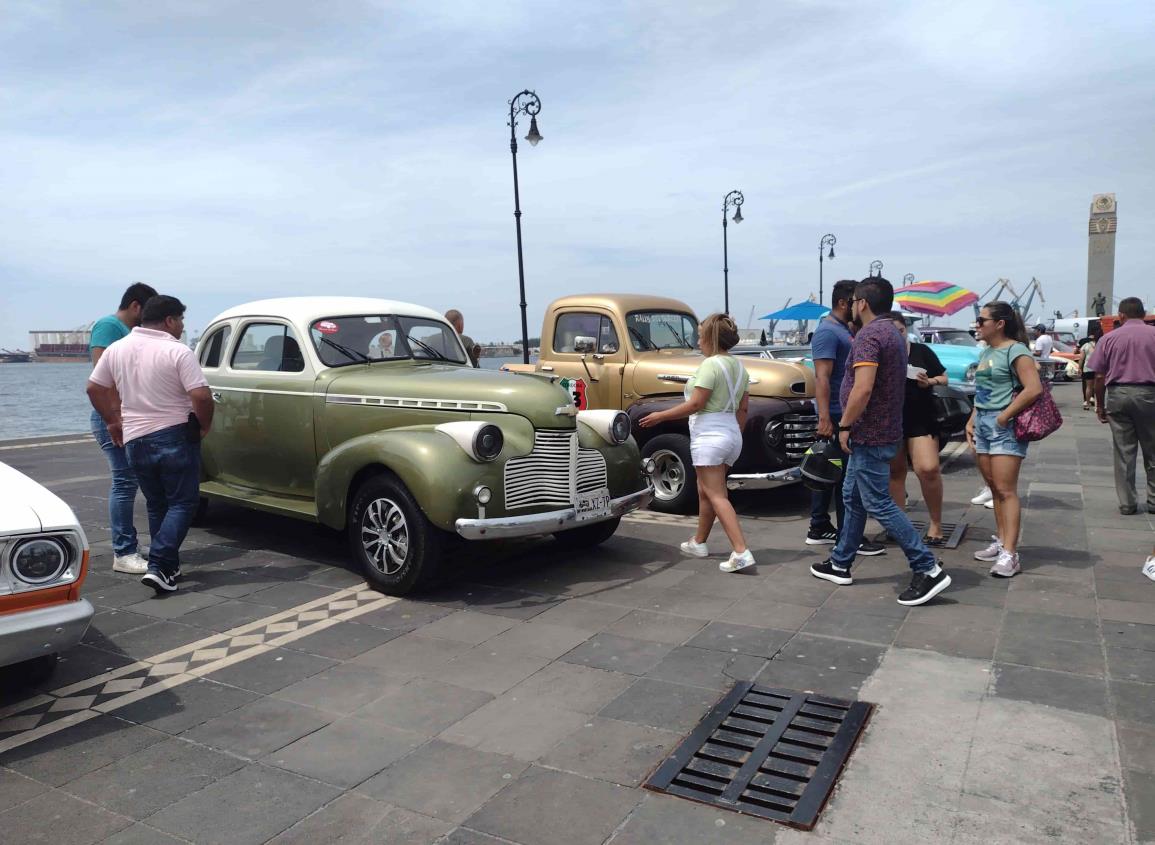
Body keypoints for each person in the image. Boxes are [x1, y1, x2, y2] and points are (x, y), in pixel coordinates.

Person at [809, 278, 951, 606]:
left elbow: (863, 388)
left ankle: (927, 567)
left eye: (856, 301)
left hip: (869, 432)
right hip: (884, 429)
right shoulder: (894, 334)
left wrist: (844, 425)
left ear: (862, 303)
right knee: (852, 496)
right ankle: (841, 561)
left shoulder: (871, 335)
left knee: (878, 502)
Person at [86, 296, 213, 594]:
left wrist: (112, 420)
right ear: (169, 320)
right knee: (183, 502)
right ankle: (158, 564)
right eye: (181, 320)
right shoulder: (177, 350)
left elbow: (93, 387)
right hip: (174, 435)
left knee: (157, 504)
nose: (182, 327)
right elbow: (202, 396)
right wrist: (205, 424)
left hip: (134, 439)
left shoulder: (118, 348)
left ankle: (168, 566)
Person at [638, 313, 754, 573]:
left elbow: (695, 404)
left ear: (711, 339)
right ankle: (699, 542)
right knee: (706, 491)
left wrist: (660, 416)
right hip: (731, 432)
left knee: (716, 495)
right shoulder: (740, 367)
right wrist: (735, 434)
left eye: (700, 336)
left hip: (710, 434)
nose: (698, 341)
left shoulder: (709, 366)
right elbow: (744, 408)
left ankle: (740, 551)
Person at [803, 281, 884, 557]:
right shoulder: (827, 332)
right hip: (837, 416)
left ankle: (820, 526)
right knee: (843, 477)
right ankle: (847, 535)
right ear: (843, 303)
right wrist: (824, 417)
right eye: (855, 301)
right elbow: (822, 378)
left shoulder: (843, 330)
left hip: (841, 414)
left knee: (830, 471)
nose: (859, 305)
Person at [966, 301, 1044, 577]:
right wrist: (973, 419)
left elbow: (1033, 388)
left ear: (999, 324)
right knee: (994, 488)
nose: (977, 324)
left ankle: (1011, 553)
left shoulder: (1016, 350)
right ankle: (1001, 542)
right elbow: (984, 391)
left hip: (1003, 424)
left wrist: (1004, 416)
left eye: (981, 320)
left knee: (1005, 489)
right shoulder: (988, 350)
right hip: (985, 422)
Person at [89, 282, 158, 575]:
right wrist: (114, 419)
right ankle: (124, 551)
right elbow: (103, 378)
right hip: (113, 418)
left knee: (131, 481)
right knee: (125, 482)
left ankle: (128, 545)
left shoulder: (128, 333)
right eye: (146, 312)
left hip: (127, 417)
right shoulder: (108, 326)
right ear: (135, 306)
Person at [884, 312, 949, 545]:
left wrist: (928, 381)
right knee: (895, 472)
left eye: (900, 331)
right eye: (892, 332)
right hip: (891, 418)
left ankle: (936, 524)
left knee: (928, 468)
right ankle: (898, 525)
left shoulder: (921, 351)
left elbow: (944, 377)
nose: (897, 336)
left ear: (906, 329)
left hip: (921, 417)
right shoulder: (883, 353)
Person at [1087, 297, 1155, 515]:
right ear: (1143, 314)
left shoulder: (1109, 338)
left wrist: (1099, 404)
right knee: (1153, 449)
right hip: (1150, 395)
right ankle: (1154, 501)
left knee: (1124, 451)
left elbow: (1098, 375)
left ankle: (1127, 503)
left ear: (1121, 316)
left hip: (1118, 393)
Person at [1080, 324, 1102, 410]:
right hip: (1098, 368)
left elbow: (1081, 358)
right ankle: (1097, 405)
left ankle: (1087, 403)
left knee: (1088, 387)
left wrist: (1079, 368)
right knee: (1097, 387)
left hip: (1088, 368)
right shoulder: (1100, 345)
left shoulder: (1086, 345)